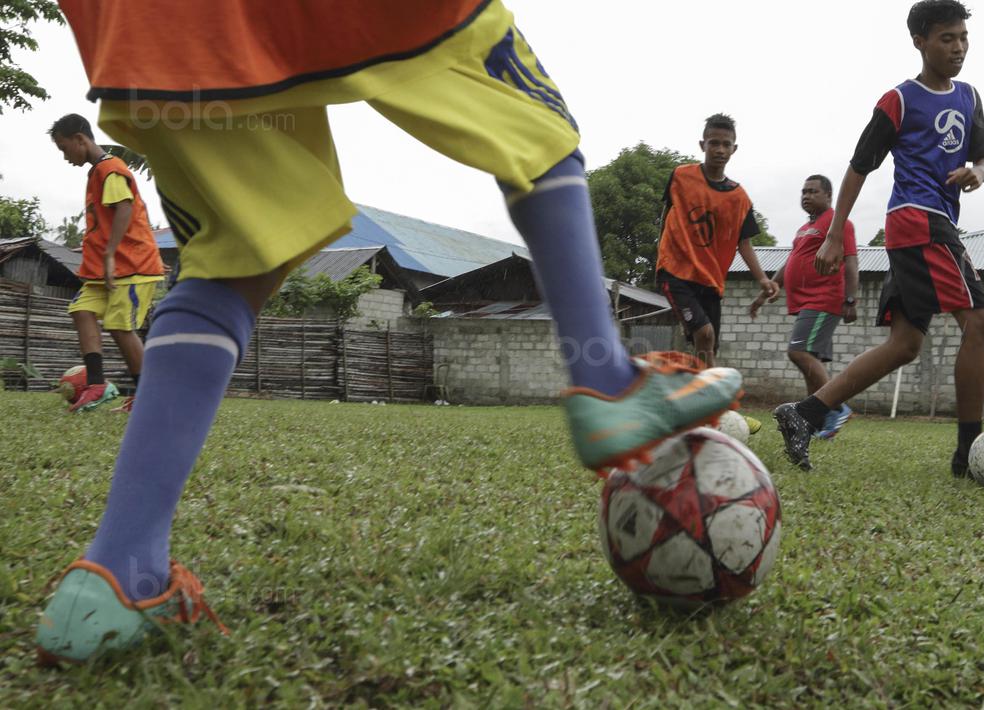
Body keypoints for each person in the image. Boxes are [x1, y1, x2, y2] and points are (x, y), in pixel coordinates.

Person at [37, 0, 743, 665]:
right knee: (530, 121)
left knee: (234, 256)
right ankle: (604, 378)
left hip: (141, 21)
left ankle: (120, 568)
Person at [772, 0, 984, 473]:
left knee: (905, 345)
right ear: (920, 41)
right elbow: (858, 168)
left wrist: (977, 171)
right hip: (918, 220)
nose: (958, 48)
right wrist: (834, 236)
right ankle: (969, 456)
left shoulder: (970, 98)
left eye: (963, 38)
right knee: (981, 325)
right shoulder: (899, 99)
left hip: (934, 224)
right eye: (946, 39)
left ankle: (805, 414)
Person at [655, 113, 778, 434]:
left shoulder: (739, 198)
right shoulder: (681, 177)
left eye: (725, 144)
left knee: (705, 349)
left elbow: (744, 243)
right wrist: (664, 253)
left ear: (734, 149)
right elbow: (668, 215)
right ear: (702, 145)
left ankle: (688, 409)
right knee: (705, 336)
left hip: (711, 282)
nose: (719, 149)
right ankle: (718, 412)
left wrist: (763, 279)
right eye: (714, 143)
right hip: (675, 270)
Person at [49, 114, 164, 413]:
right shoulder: (98, 172)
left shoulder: (111, 169)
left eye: (64, 149)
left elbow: (124, 208)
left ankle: (149, 396)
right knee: (81, 310)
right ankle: (97, 385)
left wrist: (111, 253)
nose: (64, 157)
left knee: (119, 326)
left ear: (80, 139)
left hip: (133, 265)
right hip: (106, 271)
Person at [749, 175, 858, 406]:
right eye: (804, 191)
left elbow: (850, 262)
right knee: (810, 363)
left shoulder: (839, 223)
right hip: (805, 302)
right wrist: (765, 292)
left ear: (829, 195)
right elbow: (791, 262)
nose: (806, 196)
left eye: (813, 191)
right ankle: (815, 421)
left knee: (798, 353)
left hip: (824, 299)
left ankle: (836, 408)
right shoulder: (804, 229)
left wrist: (850, 299)